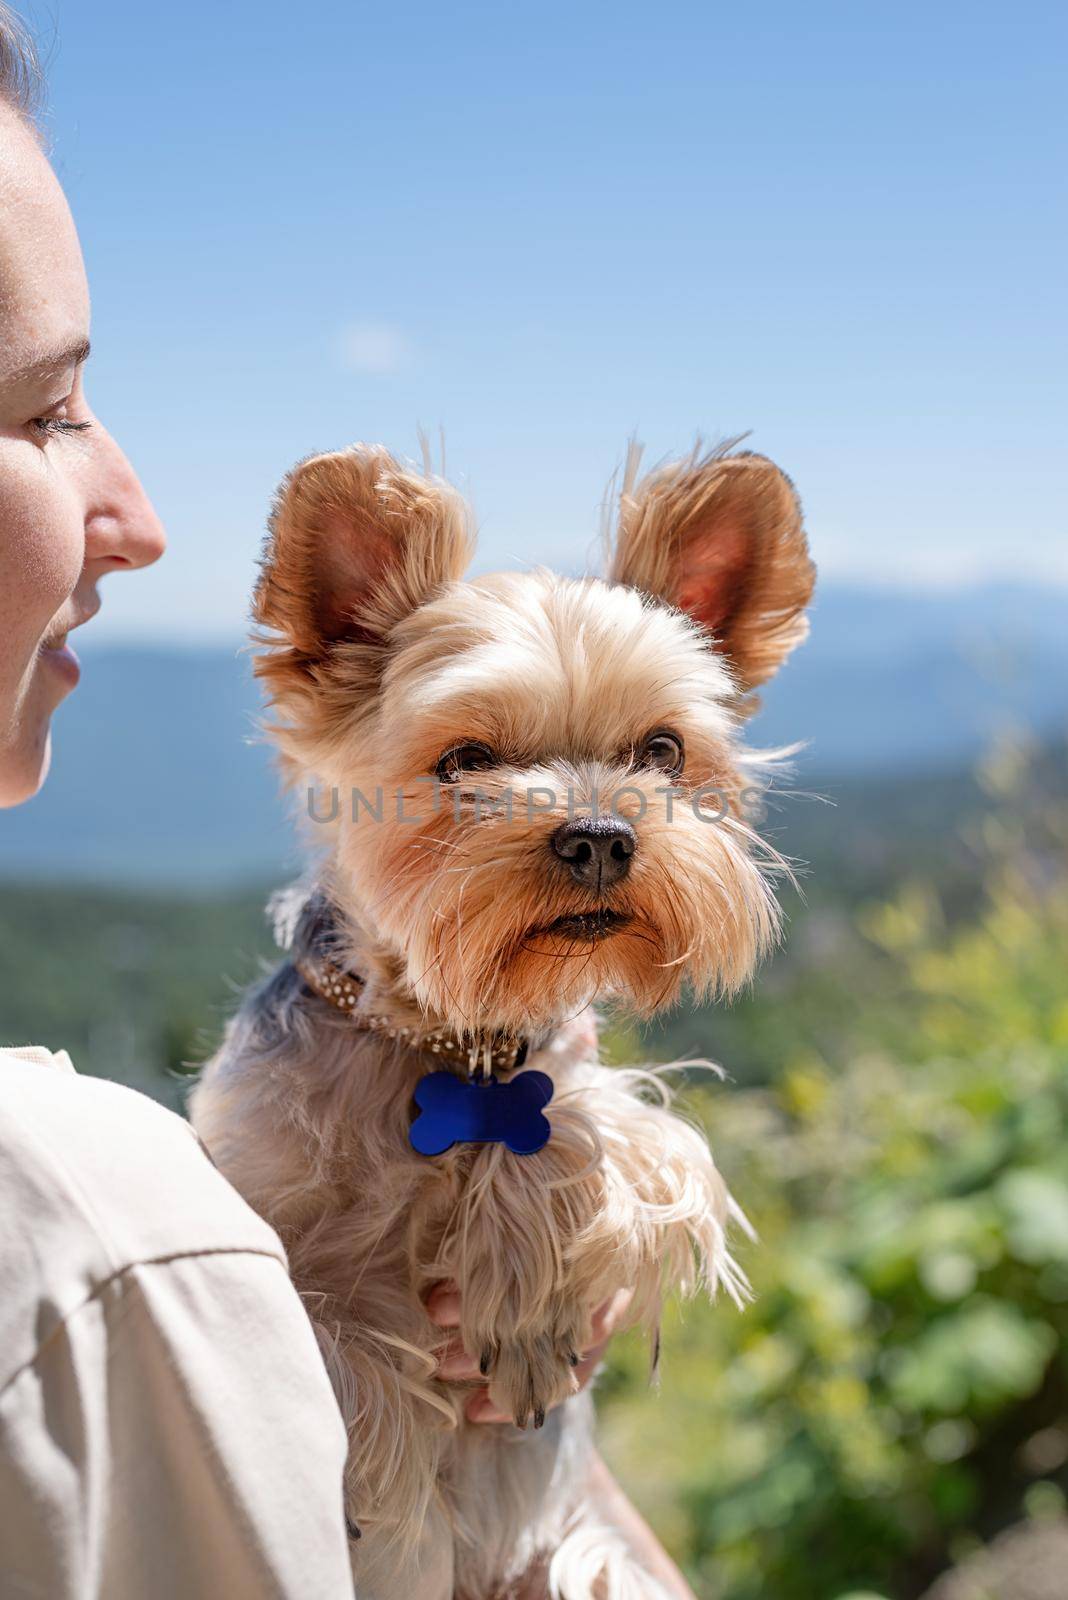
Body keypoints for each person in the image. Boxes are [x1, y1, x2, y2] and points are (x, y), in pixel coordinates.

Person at [0, 10, 699, 1600]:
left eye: (656, 762)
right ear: (330, 700)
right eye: (43, 412)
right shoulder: (95, 1220)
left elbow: (547, 1448)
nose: (136, 513)